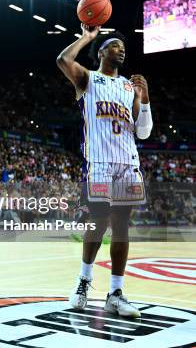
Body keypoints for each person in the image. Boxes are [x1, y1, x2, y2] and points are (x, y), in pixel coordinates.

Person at [56, 26, 152, 318]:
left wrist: (145, 98)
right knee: (98, 221)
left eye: (123, 47)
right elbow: (62, 60)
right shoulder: (88, 78)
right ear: (101, 52)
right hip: (98, 162)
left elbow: (144, 132)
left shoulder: (128, 87)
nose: (121, 49)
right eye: (114, 45)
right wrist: (86, 36)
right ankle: (84, 281)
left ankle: (116, 292)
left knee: (122, 227)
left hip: (127, 163)